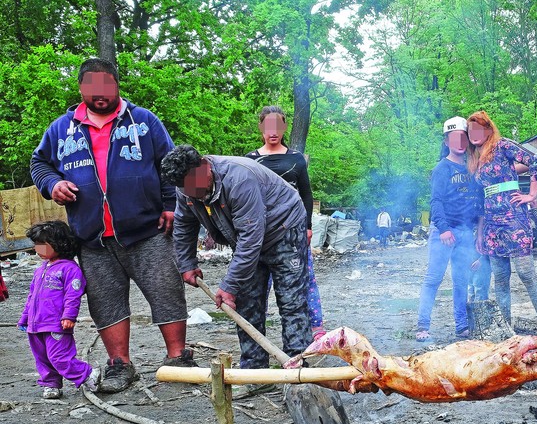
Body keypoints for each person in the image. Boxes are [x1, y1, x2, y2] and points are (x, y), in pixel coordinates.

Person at [30, 57, 195, 394]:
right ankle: (120, 365)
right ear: (81, 88)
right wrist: (52, 184)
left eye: (107, 85)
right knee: (106, 301)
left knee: (166, 291)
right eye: (93, 87)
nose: (100, 93)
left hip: (147, 230)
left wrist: (169, 205)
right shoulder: (62, 129)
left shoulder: (144, 121)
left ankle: (178, 359)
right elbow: (40, 163)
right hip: (92, 237)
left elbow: (169, 163)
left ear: (117, 85)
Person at [163, 145, 311, 370]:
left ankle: (298, 368)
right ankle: (254, 371)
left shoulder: (239, 179)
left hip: (284, 228)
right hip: (247, 237)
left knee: (291, 301)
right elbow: (184, 225)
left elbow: (250, 239)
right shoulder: (185, 189)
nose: (191, 191)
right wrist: (187, 263)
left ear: (204, 164)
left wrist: (229, 286)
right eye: (185, 187)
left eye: (194, 182)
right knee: (246, 304)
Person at [245, 106, 326, 341]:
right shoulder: (250, 160)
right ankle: (257, 336)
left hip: (292, 230)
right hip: (261, 231)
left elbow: (306, 194)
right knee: (258, 285)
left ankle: (315, 326)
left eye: (278, 126)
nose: (273, 132)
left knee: (304, 278)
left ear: (284, 128)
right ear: (261, 127)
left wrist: (308, 225)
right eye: (268, 126)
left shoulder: (295, 159)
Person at [466, 110, 537, 324]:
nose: (474, 134)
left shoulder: (502, 146)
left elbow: (535, 162)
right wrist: (481, 233)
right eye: (470, 130)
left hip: (514, 220)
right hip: (492, 224)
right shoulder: (475, 158)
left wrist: (531, 194)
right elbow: (482, 198)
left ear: (488, 129)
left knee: (526, 274)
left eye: (478, 129)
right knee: (500, 279)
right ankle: (507, 330)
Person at [416, 117, 482, 342]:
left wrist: (474, 236)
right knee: (433, 278)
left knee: (461, 280)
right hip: (443, 232)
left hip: (464, 232)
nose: (460, 142)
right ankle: (422, 326)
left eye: (463, 137)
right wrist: (443, 229)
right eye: (454, 138)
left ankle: (461, 326)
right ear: (446, 141)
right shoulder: (442, 168)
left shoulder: (472, 167)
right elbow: (436, 201)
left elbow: (475, 201)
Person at [17, 221, 101, 398]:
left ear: (59, 244)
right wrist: (25, 317)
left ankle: (87, 374)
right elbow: (31, 296)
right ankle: (51, 384)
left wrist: (69, 315)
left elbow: (73, 295)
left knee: (59, 357)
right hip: (35, 325)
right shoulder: (40, 270)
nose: (38, 249)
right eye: (36, 245)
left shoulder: (70, 269)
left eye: (42, 245)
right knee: (42, 358)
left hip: (57, 324)